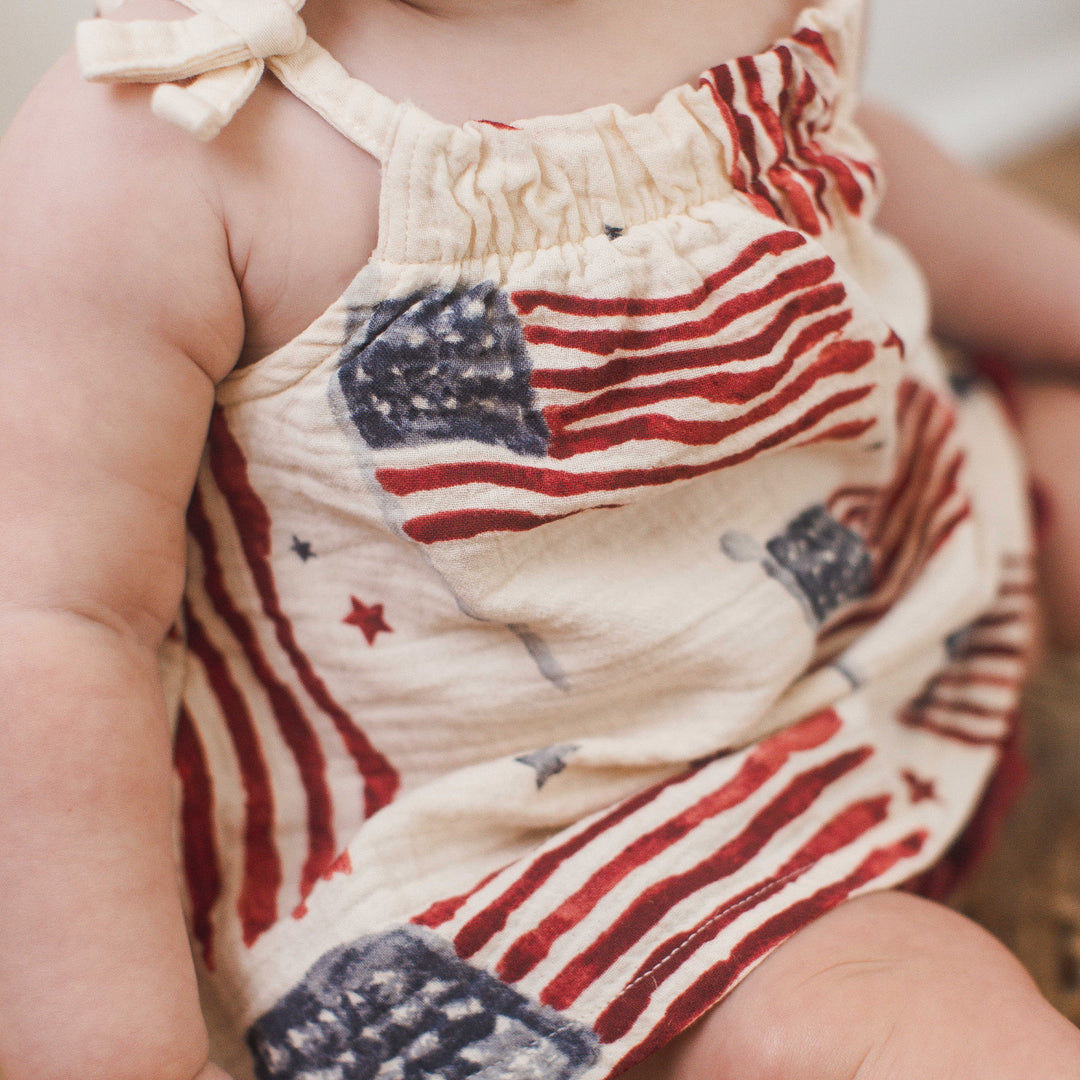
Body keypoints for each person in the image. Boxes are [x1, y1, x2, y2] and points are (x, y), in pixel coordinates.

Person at [3, 0, 1080, 1077]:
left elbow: (850, 162)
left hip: (898, 546)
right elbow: (58, 624)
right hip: (570, 846)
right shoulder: (167, 143)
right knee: (914, 1017)